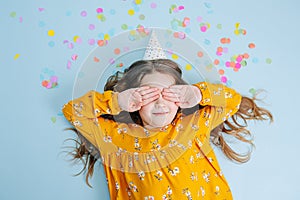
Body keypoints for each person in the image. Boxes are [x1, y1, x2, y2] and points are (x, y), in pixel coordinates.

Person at [62, 58, 273, 200]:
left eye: (170, 94)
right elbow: (73, 111)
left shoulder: (192, 124)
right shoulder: (115, 137)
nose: (160, 103)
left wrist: (197, 94)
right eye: (149, 94)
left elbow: (232, 101)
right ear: (135, 99)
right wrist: (116, 101)